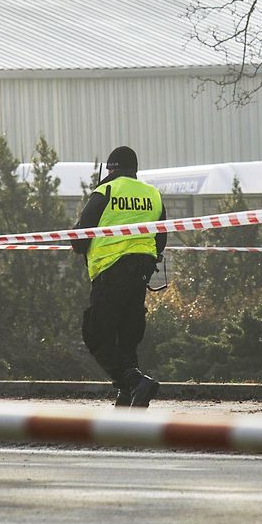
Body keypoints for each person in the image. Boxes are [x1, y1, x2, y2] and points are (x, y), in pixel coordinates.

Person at [71, 146, 166, 409]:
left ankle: (135, 382)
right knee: (127, 336)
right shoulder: (153, 194)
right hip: (141, 273)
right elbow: (161, 238)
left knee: (97, 335)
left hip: (110, 271)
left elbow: (79, 239)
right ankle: (129, 397)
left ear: (111, 169)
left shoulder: (106, 191)